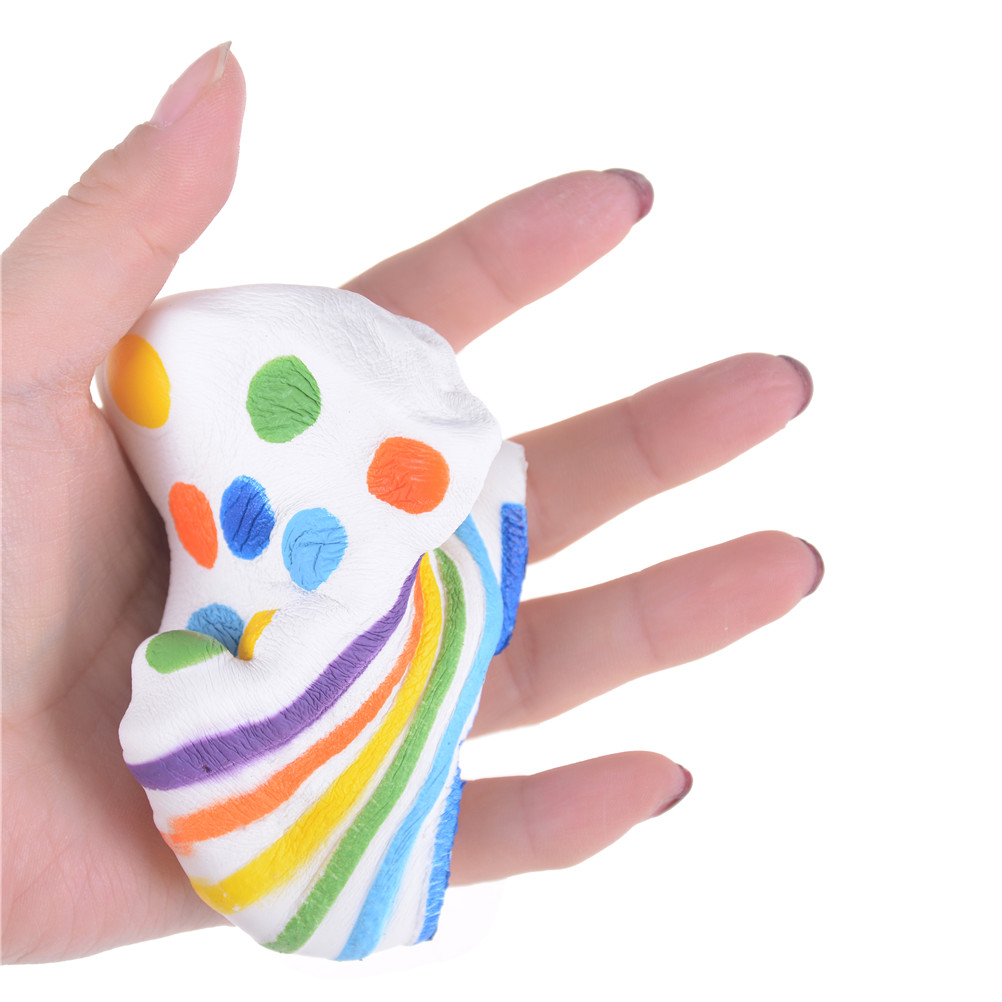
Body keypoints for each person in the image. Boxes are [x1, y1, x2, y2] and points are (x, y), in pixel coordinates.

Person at [0, 44, 822, 964]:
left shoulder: (355, 571)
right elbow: (186, 701)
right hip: (307, 784)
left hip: (323, 768)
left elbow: (187, 697)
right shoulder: (296, 548)